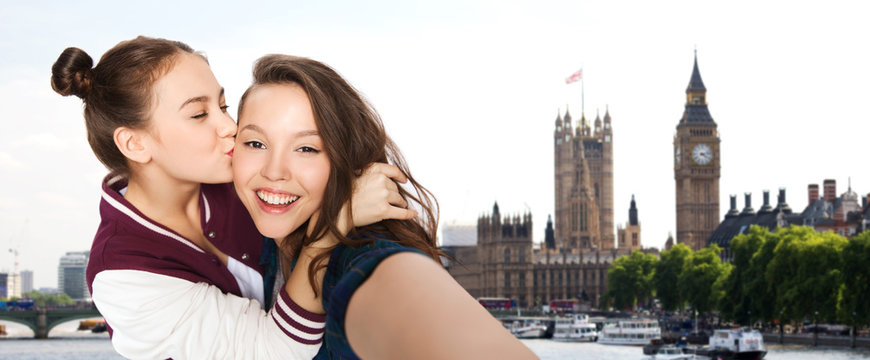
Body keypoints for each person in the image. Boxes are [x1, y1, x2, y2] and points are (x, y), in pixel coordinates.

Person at [50, 36, 412, 359]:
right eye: (199, 114)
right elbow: (274, 350)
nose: (230, 127)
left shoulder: (239, 175)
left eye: (223, 106)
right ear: (135, 143)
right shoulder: (124, 275)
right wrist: (334, 225)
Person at [233, 54, 539, 359]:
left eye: (307, 148)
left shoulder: (364, 257)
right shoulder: (253, 239)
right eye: (256, 143)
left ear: (344, 158)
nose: (275, 171)